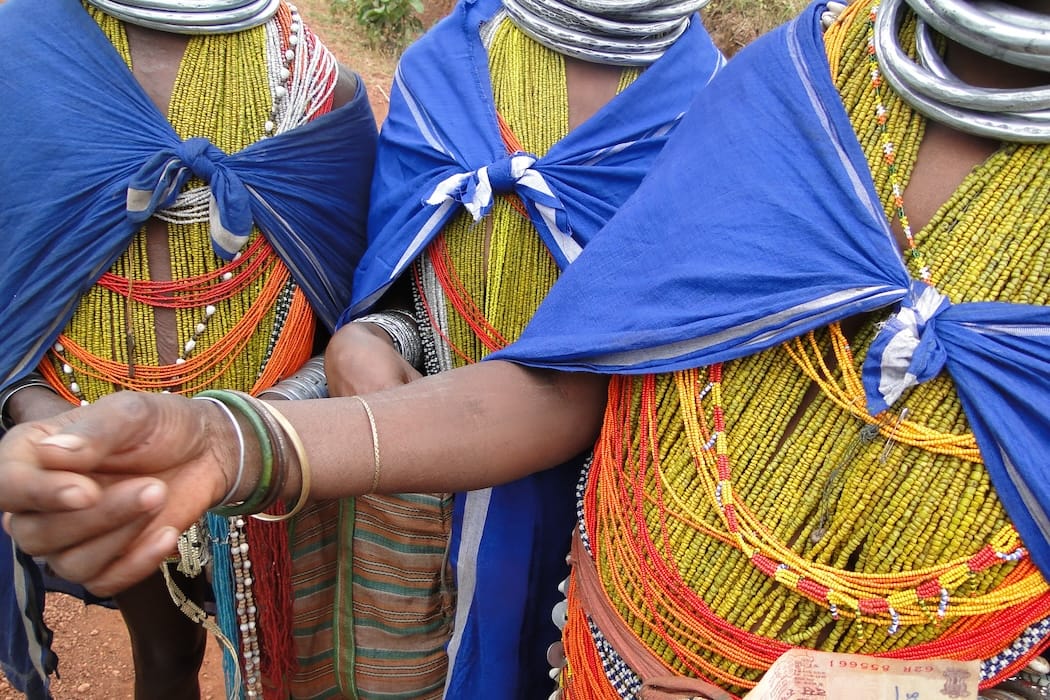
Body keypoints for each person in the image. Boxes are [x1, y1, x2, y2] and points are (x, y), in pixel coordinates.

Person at [3, 0, 1050, 698]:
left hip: (591, 550)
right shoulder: (795, 85)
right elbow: (572, 366)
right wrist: (265, 420)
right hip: (584, 605)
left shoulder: (713, 96)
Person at [322, 0, 723, 697]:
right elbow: (403, 281)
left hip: (599, 505)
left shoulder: (719, 116)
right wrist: (370, 337)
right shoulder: (443, 71)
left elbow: (705, 358)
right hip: (419, 458)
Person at [0, 0, 377, 698]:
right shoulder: (18, 59)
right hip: (107, 453)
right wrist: (36, 408)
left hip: (276, 457)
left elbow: (361, 313)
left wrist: (264, 426)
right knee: (165, 656)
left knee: (286, 658)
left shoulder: (321, 91)